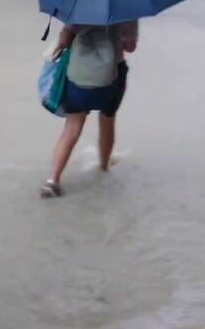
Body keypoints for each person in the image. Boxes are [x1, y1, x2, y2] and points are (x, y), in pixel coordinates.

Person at [40, 21, 138, 198]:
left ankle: (53, 181)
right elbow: (130, 47)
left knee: (72, 128)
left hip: (78, 75)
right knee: (107, 120)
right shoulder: (128, 9)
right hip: (112, 76)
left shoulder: (79, 5)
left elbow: (63, 41)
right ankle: (103, 168)